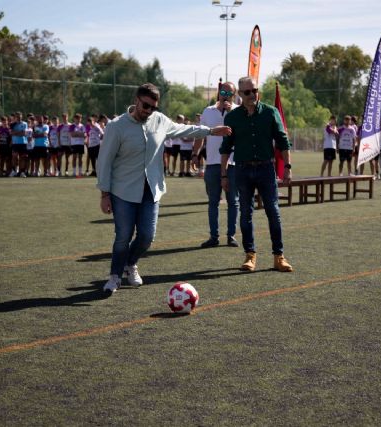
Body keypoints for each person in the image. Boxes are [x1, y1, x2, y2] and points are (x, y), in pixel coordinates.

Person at [97, 83, 232, 294]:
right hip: (122, 191)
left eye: (152, 107)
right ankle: (114, 276)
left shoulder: (160, 121)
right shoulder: (116, 127)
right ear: (136, 100)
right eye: (145, 105)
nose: (148, 111)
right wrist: (104, 193)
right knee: (123, 236)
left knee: (147, 236)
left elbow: (186, 129)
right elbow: (104, 161)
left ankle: (130, 264)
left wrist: (212, 131)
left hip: (151, 190)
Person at [220, 76, 293, 273]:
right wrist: (224, 175)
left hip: (266, 169)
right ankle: (250, 255)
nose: (252, 95)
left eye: (255, 90)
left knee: (273, 212)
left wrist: (287, 167)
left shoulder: (270, 112)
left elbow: (283, 141)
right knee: (246, 214)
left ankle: (279, 256)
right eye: (247, 92)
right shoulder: (232, 117)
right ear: (239, 95)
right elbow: (225, 148)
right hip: (242, 170)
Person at [193, 81, 240, 248]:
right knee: (213, 201)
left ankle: (231, 235)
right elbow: (200, 134)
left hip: (233, 164)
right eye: (224, 92)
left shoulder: (238, 111)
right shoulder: (208, 111)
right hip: (212, 163)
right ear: (219, 92)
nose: (226, 95)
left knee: (233, 201)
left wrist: (230, 112)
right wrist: (195, 153)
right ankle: (214, 236)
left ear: (234, 95)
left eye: (230, 93)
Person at [10, 112, 29, 177]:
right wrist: (19, 133)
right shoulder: (12, 124)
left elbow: (24, 133)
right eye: (17, 116)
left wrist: (16, 133)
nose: (18, 118)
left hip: (23, 143)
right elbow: (11, 133)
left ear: (21, 117)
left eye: (19, 117)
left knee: (22, 158)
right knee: (14, 157)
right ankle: (14, 171)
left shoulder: (25, 124)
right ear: (15, 117)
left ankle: (22, 172)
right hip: (15, 143)